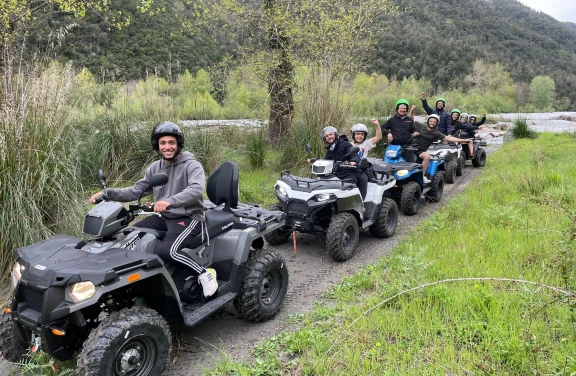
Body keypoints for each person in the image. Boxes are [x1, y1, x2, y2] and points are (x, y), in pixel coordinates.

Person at [89, 121, 218, 298]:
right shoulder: (155, 168)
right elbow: (136, 191)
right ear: (157, 145)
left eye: (171, 142)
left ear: (178, 144)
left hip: (189, 217)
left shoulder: (192, 165)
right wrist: (107, 193)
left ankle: (204, 273)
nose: (167, 147)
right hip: (163, 217)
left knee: (168, 251)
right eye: (163, 143)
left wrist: (169, 201)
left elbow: (195, 190)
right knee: (130, 236)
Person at [309, 126, 369, 199]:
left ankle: (360, 204)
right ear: (325, 139)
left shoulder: (345, 144)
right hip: (336, 174)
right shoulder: (329, 151)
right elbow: (326, 163)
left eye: (330, 134)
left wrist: (353, 160)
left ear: (335, 134)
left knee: (350, 183)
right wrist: (314, 163)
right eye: (327, 136)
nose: (329, 137)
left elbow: (354, 154)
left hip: (349, 172)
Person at [411, 115, 473, 183]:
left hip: (420, 151)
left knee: (427, 156)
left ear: (437, 123)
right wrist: (412, 111)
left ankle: (422, 176)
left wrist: (464, 140)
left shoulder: (436, 134)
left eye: (434, 122)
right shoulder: (421, 126)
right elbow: (411, 119)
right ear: (428, 121)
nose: (432, 123)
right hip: (410, 148)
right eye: (431, 121)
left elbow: (450, 138)